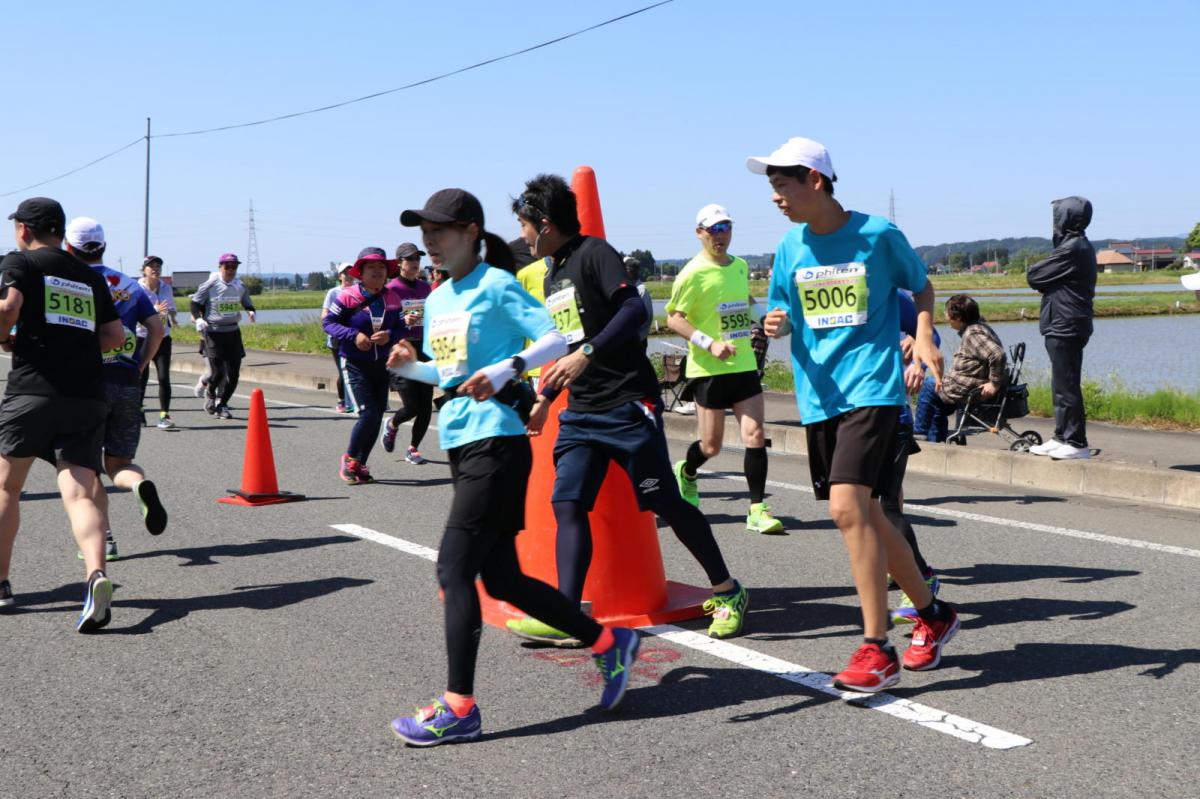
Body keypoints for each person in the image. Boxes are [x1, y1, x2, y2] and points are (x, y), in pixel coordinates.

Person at [387, 188, 640, 746]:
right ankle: (608, 645)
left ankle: (459, 707)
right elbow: (451, 374)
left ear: (472, 231)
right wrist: (415, 368)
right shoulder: (436, 300)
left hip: (498, 443)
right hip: (460, 441)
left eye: (441, 229)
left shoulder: (498, 285)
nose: (430, 239)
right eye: (424, 230)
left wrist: (508, 370)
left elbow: (554, 339)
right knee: (500, 577)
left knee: (454, 570)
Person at [753, 136, 959, 692]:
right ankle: (934, 613)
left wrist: (922, 336)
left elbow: (922, 287)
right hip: (818, 394)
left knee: (848, 510)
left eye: (782, 186)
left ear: (815, 181)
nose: (775, 197)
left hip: (872, 388)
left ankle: (877, 647)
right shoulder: (790, 247)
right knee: (865, 515)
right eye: (771, 187)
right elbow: (783, 307)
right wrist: (778, 322)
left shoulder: (877, 235)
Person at [507, 173, 748, 646]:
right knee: (568, 503)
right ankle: (566, 613)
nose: (522, 236)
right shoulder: (554, 272)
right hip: (581, 411)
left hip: (626, 405)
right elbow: (569, 344)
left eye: (524, 225)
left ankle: (728, 591)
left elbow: (635, 313)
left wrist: (589, 355)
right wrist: (545, 399)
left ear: (546, 222)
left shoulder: (595, 253)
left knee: (664, 501)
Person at [0, 198, 125, 630]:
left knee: (6, 488)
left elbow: (7, 308)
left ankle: (0, 583)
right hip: (86, 396)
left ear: (24, 230)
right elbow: (114, 336)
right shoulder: (90, 277)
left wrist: (5, 338)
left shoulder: (21, 261)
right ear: (61, 230)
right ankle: (96, 575)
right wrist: (72, 346)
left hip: (33, 391)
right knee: (79, 493)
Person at [666, 203, 783, 534]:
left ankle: (757, 510)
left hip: (743, 364)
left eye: (726, 227)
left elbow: (743, 301)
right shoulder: (692, 273)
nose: (721, 235)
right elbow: (674, 318)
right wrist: (710, 343)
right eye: (714, 229)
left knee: (755, 435)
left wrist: (764, 318)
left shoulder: (741, 266)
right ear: (699, 233)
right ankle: (687, 471)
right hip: (708, 370)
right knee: (711, 446)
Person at [65, 218, 169, 560]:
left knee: (86, 467)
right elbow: (156, 327)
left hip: (85, 385)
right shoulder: (126, 283)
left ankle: (104, 539)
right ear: (104, 246)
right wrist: (140, 365)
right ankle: (138, 485)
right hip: (125, 381)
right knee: (120, 462)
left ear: (69, 247)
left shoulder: (68, 282)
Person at [323, 247, 407, 484]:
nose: (378, 272)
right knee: (368, 412)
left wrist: (389, 334)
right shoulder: (348, 296)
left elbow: (402, 328)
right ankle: (350, 459)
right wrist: (353, 335)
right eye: (372, 267)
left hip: (381, 364)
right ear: (361, 272)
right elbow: (328, 323)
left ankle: (360, 464)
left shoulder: (392, 297)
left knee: (378, 413)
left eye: (382, 268)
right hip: (354, 363)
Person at [1027, 197, 1096, 460]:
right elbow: (1042, 277)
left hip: (1066, 323)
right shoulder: (1074, 246)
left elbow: (1034, 275)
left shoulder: (1073, 248)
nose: (1054, 222)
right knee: (1060, 383)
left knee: (1066, 384)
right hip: (1063, 321)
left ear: (1067, 218)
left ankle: (1077, 442)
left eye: (1058, 216)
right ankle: (1061, 436)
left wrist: (1048, 282)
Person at [888, 290, 941, 624]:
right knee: (856, 507)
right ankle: (894, 560)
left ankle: (920, 576)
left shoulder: (896, 296)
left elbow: (930, 333)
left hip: (891, 409)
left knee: (885, 505)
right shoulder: (824, 280)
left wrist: (917, 352)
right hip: (843, 410)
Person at [912, 294, 1006, 442]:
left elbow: (997, 354)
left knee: (929, 387)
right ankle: (935, 439)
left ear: (958, 318)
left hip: (967, 388)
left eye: (947, 313)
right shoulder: (979, 327)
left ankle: (919, 433)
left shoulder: (973, 334)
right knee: (937, 402)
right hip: (967, 385)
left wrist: (994, 384)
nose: (945, 316)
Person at [381, 242, 434, 464]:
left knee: (426, 403)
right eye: (410, 259)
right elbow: (383, 323)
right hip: (401, 349)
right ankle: (392, 423)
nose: (414, 263)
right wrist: (404, 320)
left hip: (423, 348)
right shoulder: (391, 289)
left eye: (417, 259)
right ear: (400, 263)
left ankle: (413, 448)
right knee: (412, 405)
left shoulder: (425, 288)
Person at [191, 254, 256, 419]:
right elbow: (195, 302)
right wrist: (198, 318)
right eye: (227, 267)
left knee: (234, 375)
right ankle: (211, 394)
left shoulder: (239, 285)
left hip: (233, 332)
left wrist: (250, 311)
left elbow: (247, 302)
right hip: (213, 332)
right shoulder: (211, 283)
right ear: (220, 267)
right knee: (218, 372)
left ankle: (223, 404)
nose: (231, 271)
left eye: (234, 267)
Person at [137, 255, 179, 429]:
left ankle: (164, 415)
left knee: (164, 377)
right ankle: (138, 411)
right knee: (141, 377)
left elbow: (172, 309)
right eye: (151, 266)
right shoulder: (137, 289)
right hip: (142, 337)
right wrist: (152, 311)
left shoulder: (166, 288)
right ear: (144, 270)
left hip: (162, 337)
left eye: (158, 266)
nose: (155, 269)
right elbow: (132, 313)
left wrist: (172, 316)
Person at [322, 263, 356, 413]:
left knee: (354, 370)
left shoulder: (359, 291)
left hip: (354, 336)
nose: (348, 275)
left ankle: (354, 401)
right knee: (343, 371)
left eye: (351, 272)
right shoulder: (333, 293)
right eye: (345, 272)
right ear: (339, 276)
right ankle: (342, 400)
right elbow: (324, 315)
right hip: (337, 338)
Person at [623, 256, 655, 341]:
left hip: (637, 340)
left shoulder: (641, 290)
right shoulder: (628, 289)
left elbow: (648, 318)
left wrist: (636, 338)